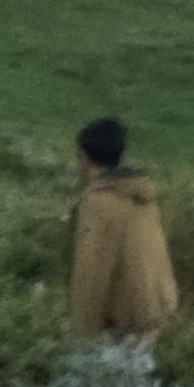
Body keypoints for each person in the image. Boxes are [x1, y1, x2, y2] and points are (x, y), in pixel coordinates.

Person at [67, 116, 179, 341]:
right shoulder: (142, 197)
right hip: (157, 313)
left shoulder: (97, 202)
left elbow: (91, 270)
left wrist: (83, 333)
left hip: (124, 324)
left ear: (84, 157)